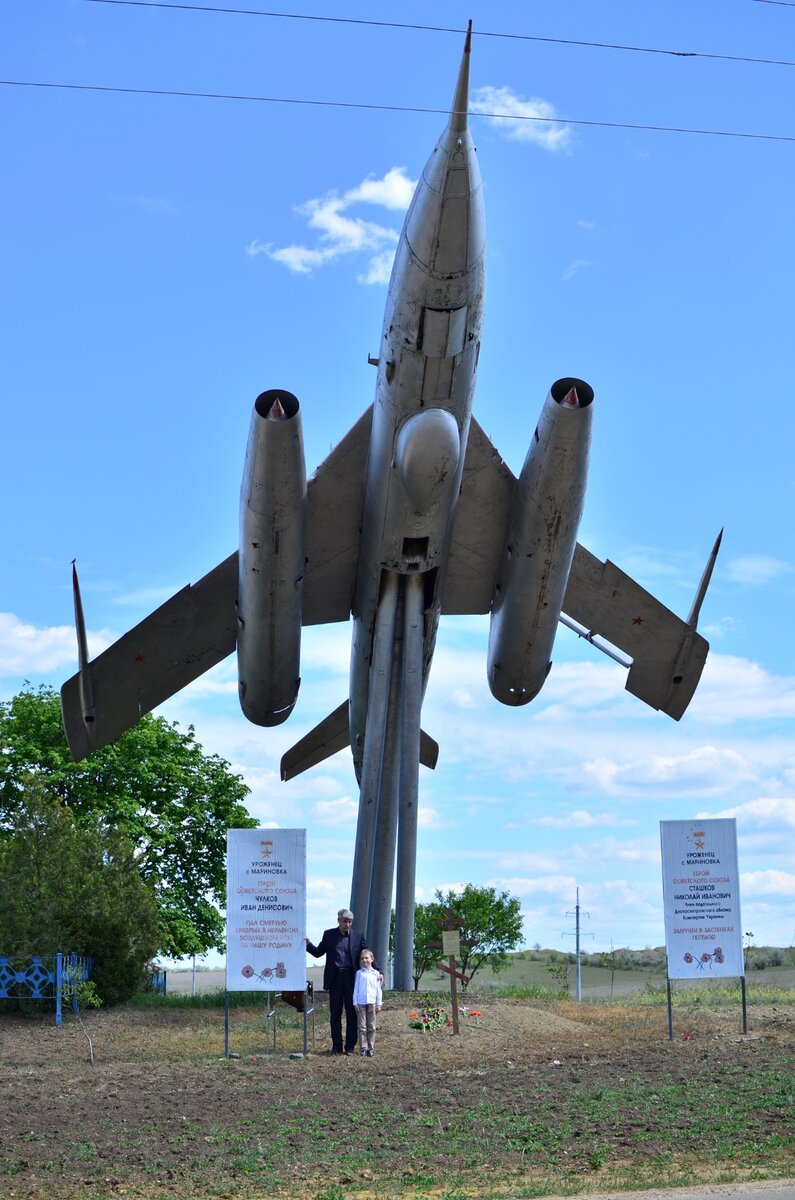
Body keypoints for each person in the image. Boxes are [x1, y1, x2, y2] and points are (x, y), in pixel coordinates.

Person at [306, 909, 381, 1055]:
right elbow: (318, 952)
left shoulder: (358, 936)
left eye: (350, 922)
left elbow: (368, 955)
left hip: (352, 979)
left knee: (352, 1014)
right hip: (335, 979)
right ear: (339, 921)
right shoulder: (329, 935)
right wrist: (308, 944)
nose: (347, 924)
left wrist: (379, 971)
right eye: (345, 921)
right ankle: (336, 1046)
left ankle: (350, 1047)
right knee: (335, 1014)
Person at [352, 948, 383, 1057]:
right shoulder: (359, 973)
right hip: (361, 1003)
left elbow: (378, 990)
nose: (364, 960)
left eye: (366, 958)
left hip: (372, 1003)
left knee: (371, 1026)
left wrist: (379, 1003)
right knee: (362, 1027)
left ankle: (371, 1048)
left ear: (372, 959)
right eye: (362, 959)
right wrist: (355, 1002)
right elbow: (356, 988)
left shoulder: (376, 974)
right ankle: (363, 1049)